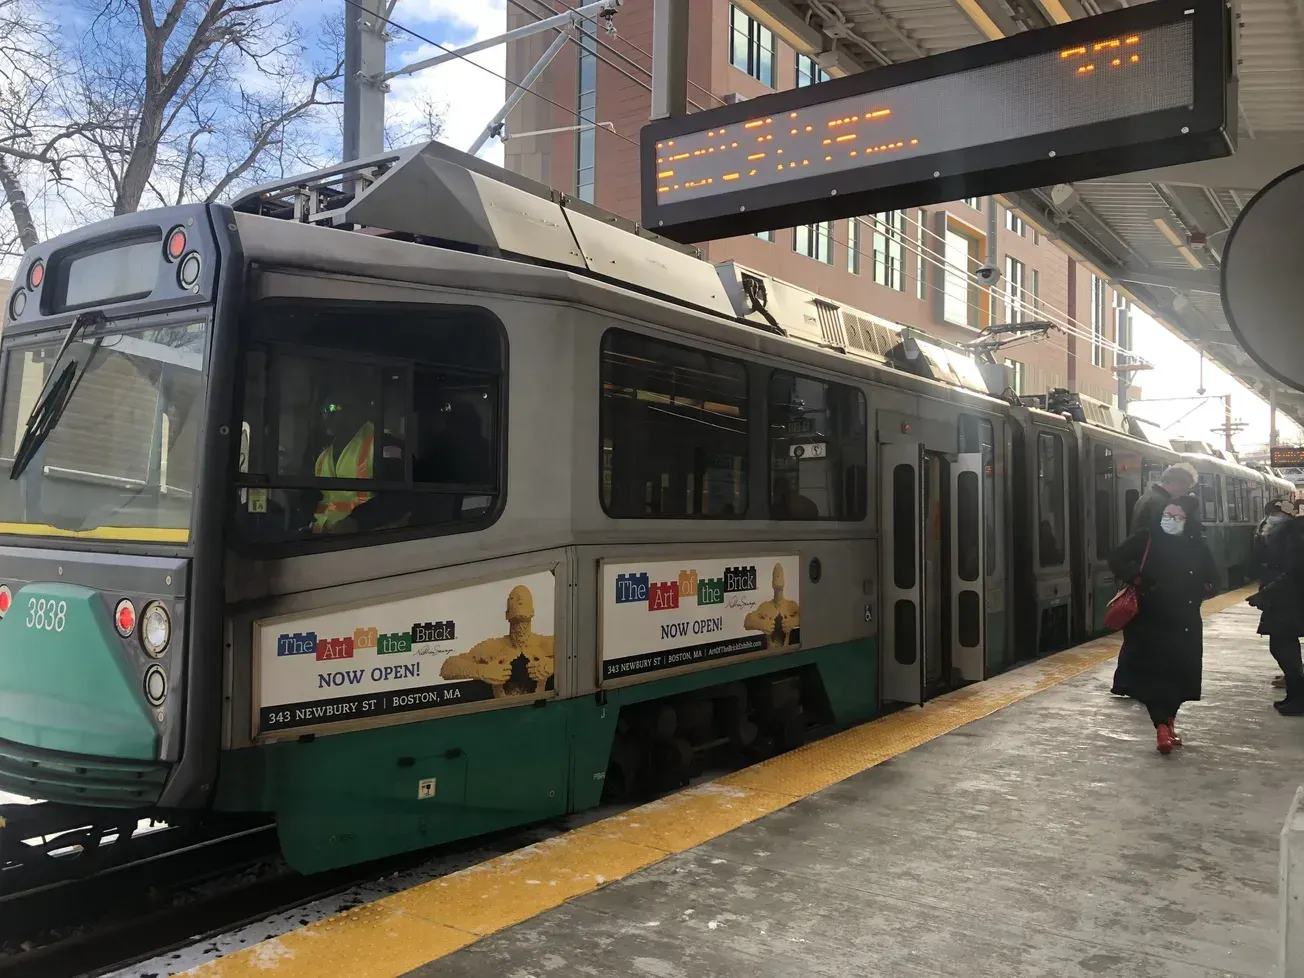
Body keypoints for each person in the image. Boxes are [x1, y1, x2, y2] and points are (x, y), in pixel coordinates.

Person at [1108, 494, 1217, 754]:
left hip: (1185, 620)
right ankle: (1162, 727)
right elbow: (1117, 559)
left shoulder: (1197, 544)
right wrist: (1137, 577)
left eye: (1178, 517)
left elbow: (1213, 575)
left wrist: (1205, 587)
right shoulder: (1146, 538)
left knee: (1180, 674)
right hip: (1150, 620)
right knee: (1155, 674)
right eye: (1167, 516)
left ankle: (1168, 722)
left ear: (1188, 520)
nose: (1171, 521)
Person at [1112, 462, 1198, 696]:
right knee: (1148, 635)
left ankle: (1125, 682)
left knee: (1136, 635)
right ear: (1176, 482)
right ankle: (1133, 683)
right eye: (1185, 487)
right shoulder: (1161, 504)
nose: (1184, 493)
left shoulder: (1147, 497)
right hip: (1150, 578)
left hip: (1142, 574)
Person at [309, 390, 406, 534]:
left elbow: (397, 499)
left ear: (354, 411)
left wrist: (356, 521)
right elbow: (319, 499)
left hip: (368, 539)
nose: (327, 416)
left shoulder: (384, 444)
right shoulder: (324, 454)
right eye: (324, 410)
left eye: (334, 408)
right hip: (325, 537)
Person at [1248, 504, 1304, 714]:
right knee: (1283, 647)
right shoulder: (1289, 533)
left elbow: (1291, 572)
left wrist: (1265, 593)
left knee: (1283, 648)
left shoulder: (1288, 535)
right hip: (1285, 599)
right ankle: (1294, 696)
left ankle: (1298, 699)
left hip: (1287, 600)